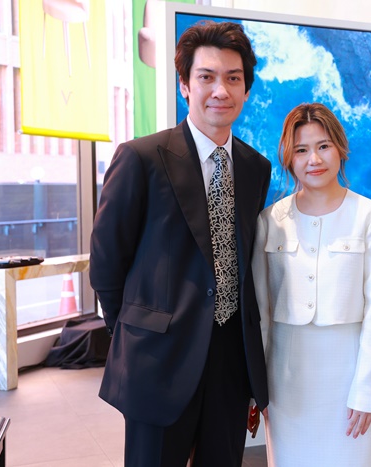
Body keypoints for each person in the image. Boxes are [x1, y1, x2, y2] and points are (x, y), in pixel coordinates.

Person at [89, 20, 271, 467]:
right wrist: (133, 332)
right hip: (158, 358)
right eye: (206, 77)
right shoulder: (141, 158)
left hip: (231, 361)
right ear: (185, 86)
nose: (221, 90)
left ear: (246, 89)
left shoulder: (255, 168)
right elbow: (107, 263)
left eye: (233, 78)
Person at [252, 103, 371, 466]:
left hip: (347, 381)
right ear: (289, 158)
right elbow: (260, 315)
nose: (314, 159)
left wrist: (368, 392)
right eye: (301, 150)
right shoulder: (270, 221)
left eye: (323, 146)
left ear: (340, 148)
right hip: (284, 382)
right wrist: (256, 389)